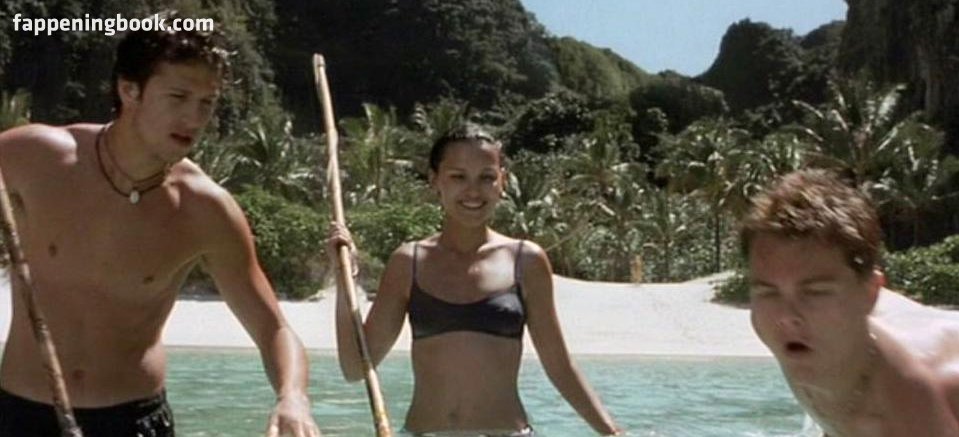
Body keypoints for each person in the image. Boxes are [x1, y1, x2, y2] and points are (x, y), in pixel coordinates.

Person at [0, 20, 319, 437]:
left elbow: (273, 328)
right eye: (178, 97)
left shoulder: (205, 210)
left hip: (132, 421)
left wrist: (292, 396)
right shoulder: (35, 157)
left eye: (207, 103)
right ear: (129, 90)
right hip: (20, 414)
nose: (194, 118)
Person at [327, 124, 621, 436]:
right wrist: (345, 279)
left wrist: (612, 433)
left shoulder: (526, 261)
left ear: (502, 182)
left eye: (486, 177)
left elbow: (559, 366)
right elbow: (355, 367)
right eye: (458, 177)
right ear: (435, 180)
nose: (473, 191)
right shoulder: (409, 263)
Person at [743, 169, 959, 436]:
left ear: (870, 294)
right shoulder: (811, 337)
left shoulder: (910, 406)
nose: (786, 316)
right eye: (768, 292)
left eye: (815, 292)